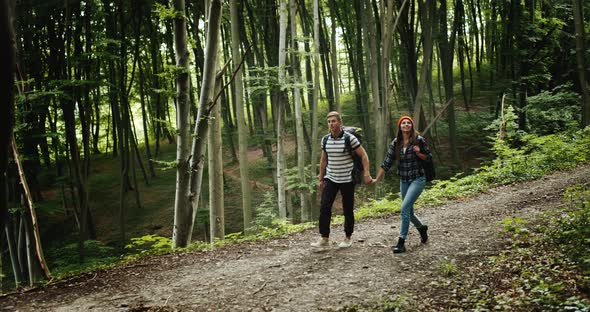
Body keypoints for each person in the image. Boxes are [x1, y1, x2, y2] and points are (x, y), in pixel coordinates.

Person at [311, 111, 373, 248]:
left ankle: (347, 237)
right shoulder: (325, 139)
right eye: (329, 122)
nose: (331, 124)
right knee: (325, 207)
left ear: (340, 122)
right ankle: (324, 238)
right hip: (331, 178)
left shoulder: (349, 138)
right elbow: (323, 160)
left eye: (334, 121)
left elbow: (363, 156)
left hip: (347, 178)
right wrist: (321, 179)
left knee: (347, 209)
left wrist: (366, 173)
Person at [373, 116, 430, 254]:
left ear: (412, 125)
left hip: (418, 178)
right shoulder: (396, 143)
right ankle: (422, 228)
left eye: (408, 122)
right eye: (403, 123)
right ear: (400, 127)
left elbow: (428, 157)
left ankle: (401, 242)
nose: (406, 124)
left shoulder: (419, 140)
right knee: (409, 212)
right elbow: (387, 162)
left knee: (404, 208)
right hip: (404, 180)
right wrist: (376, 179)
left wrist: (418, 152)